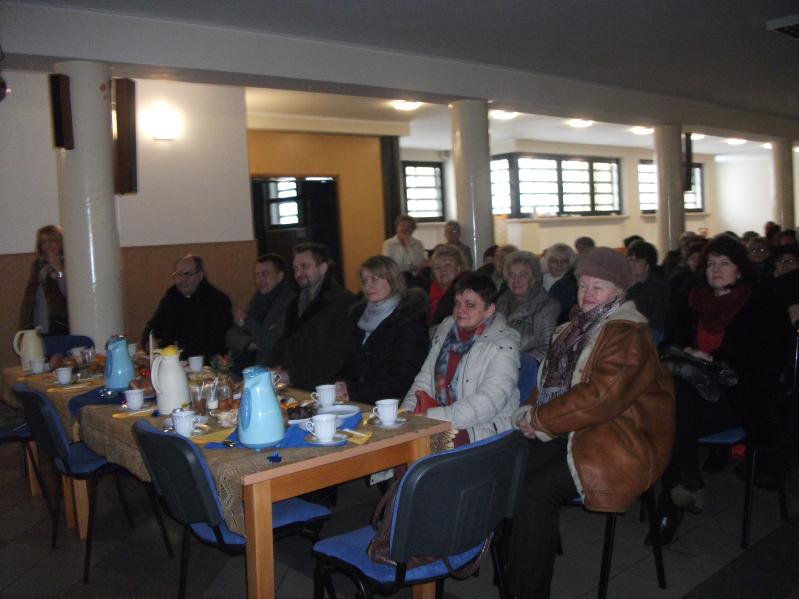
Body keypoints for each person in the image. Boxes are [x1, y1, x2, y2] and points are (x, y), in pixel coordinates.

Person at [507, 248, 674, 599]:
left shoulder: (627, 332)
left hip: (619, 439)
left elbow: (601, 397)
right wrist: (531, 414)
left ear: (619, 291)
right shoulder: (575, 328)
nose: (586, 294)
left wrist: (538, 419)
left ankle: (527, 591)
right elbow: (549, 385)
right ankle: (514, 566)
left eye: (598, 287)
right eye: (583, 285)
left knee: (534, 490)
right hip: (573, 428)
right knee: (506, 465)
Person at [655, 235, 791, 544]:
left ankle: (672, 499)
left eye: (724, 263)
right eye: (710, 264)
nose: (715, 269)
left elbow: (770, 358)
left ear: (740, 269)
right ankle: (683, 484)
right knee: (675, 404)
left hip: (741, 395)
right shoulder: (693, 300)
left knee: (671, 412)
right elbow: (669, 342)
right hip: (693, 392)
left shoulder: (762, 302)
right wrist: (686, 352)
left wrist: (716, 361)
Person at [401, 273, 520, 446]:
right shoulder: (447, 331)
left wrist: (430, 417)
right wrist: (405, 414)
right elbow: (424, 380)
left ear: (489, 310)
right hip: (443, 419)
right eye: (457, 303)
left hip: (485, 429)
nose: (460, 310)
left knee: (418, 447)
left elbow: (488, 402)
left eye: (470, 305)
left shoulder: (503, 345)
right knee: (394, 438)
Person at [337, 256, 429, 404]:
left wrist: (353, 392)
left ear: (392, 280)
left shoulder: (409, 319)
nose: (368, 286)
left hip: (391, 403)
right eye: (365, 281)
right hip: (356, 397)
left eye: (375, 279)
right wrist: (340, 382)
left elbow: (404, 375)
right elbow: (349, 360)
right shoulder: (357, 315)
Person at [270, 242, 356, 390]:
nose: (298, 273)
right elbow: (286, 341)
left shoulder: (343, 302)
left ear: (323, 268)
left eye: (304, 266)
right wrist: (273, 365)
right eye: (295, 268)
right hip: (297, 382)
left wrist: (291, 375)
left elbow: (336, 354)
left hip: (327, 386)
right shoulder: (295, 303)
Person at [143, 255, 232, 359]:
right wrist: (149, 340)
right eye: (178, 275)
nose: (182, 280)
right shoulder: (171, 296)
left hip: (203, 362)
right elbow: (154, 325)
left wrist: (181, 354)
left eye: (187, 274)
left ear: (200, 275)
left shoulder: (217, 301)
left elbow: (215, 342)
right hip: (170, 360)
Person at [225, 254, 296, 370]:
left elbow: (274, 341)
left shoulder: (290, 302)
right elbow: (230, 336)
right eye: (257, 275)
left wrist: (246, 322)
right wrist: (249, 343)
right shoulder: (257, 299)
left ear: (280, 276)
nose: (259, 280)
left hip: (274, 369)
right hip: (246, 367)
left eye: (265, 274)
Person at [495, 251, 559, 363]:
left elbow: (546, 350)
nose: (516, 280)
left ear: (533, 278)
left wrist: (514, 362)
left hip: (526, 367)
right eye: (511, 275)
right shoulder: (501, 302)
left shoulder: (547, 306)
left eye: (522, 275)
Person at [20, 225, 69, 335]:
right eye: (43, 242)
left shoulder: (69, 263)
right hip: (38, 322)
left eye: (51, 241)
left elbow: (68, 293)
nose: (47, 246)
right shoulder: (38, 265)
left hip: (60, 324)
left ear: (60, 242)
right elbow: (30, 297)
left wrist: (58, 269)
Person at [626, 241, 670, 338]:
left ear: (647, 265)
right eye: (629, 259)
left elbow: (656, 325)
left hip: (646, 335)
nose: (631, 263)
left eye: (636, 260)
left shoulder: (657, 288)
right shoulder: (621, 284)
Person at [427, 244, 468, 327]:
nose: (442, 270)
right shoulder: (430, 290)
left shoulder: (467, 290)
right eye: (437, 267)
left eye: (447, 265)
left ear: (459, 267)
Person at [542, 242, 578, 324]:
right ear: (548, 262)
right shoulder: (538, 279)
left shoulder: (573, 284)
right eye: (554, 261)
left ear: (570, 263)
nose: (559, 265)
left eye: (564, 261)